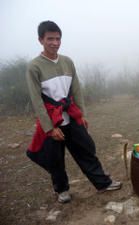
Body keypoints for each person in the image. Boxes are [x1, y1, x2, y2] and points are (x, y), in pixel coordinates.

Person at [26, 21, 121, 203]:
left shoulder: (67, 62)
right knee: (56, 159)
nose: (54, 42)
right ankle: (61, 190)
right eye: (50, 39)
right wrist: (49, 128)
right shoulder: (34, 67)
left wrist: (82, 115)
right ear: (40, 40)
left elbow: (76, 89)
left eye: (58, 38)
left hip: (71, 115)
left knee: (86, 151)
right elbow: (36, 100)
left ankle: (102, 183)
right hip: (53, 121)